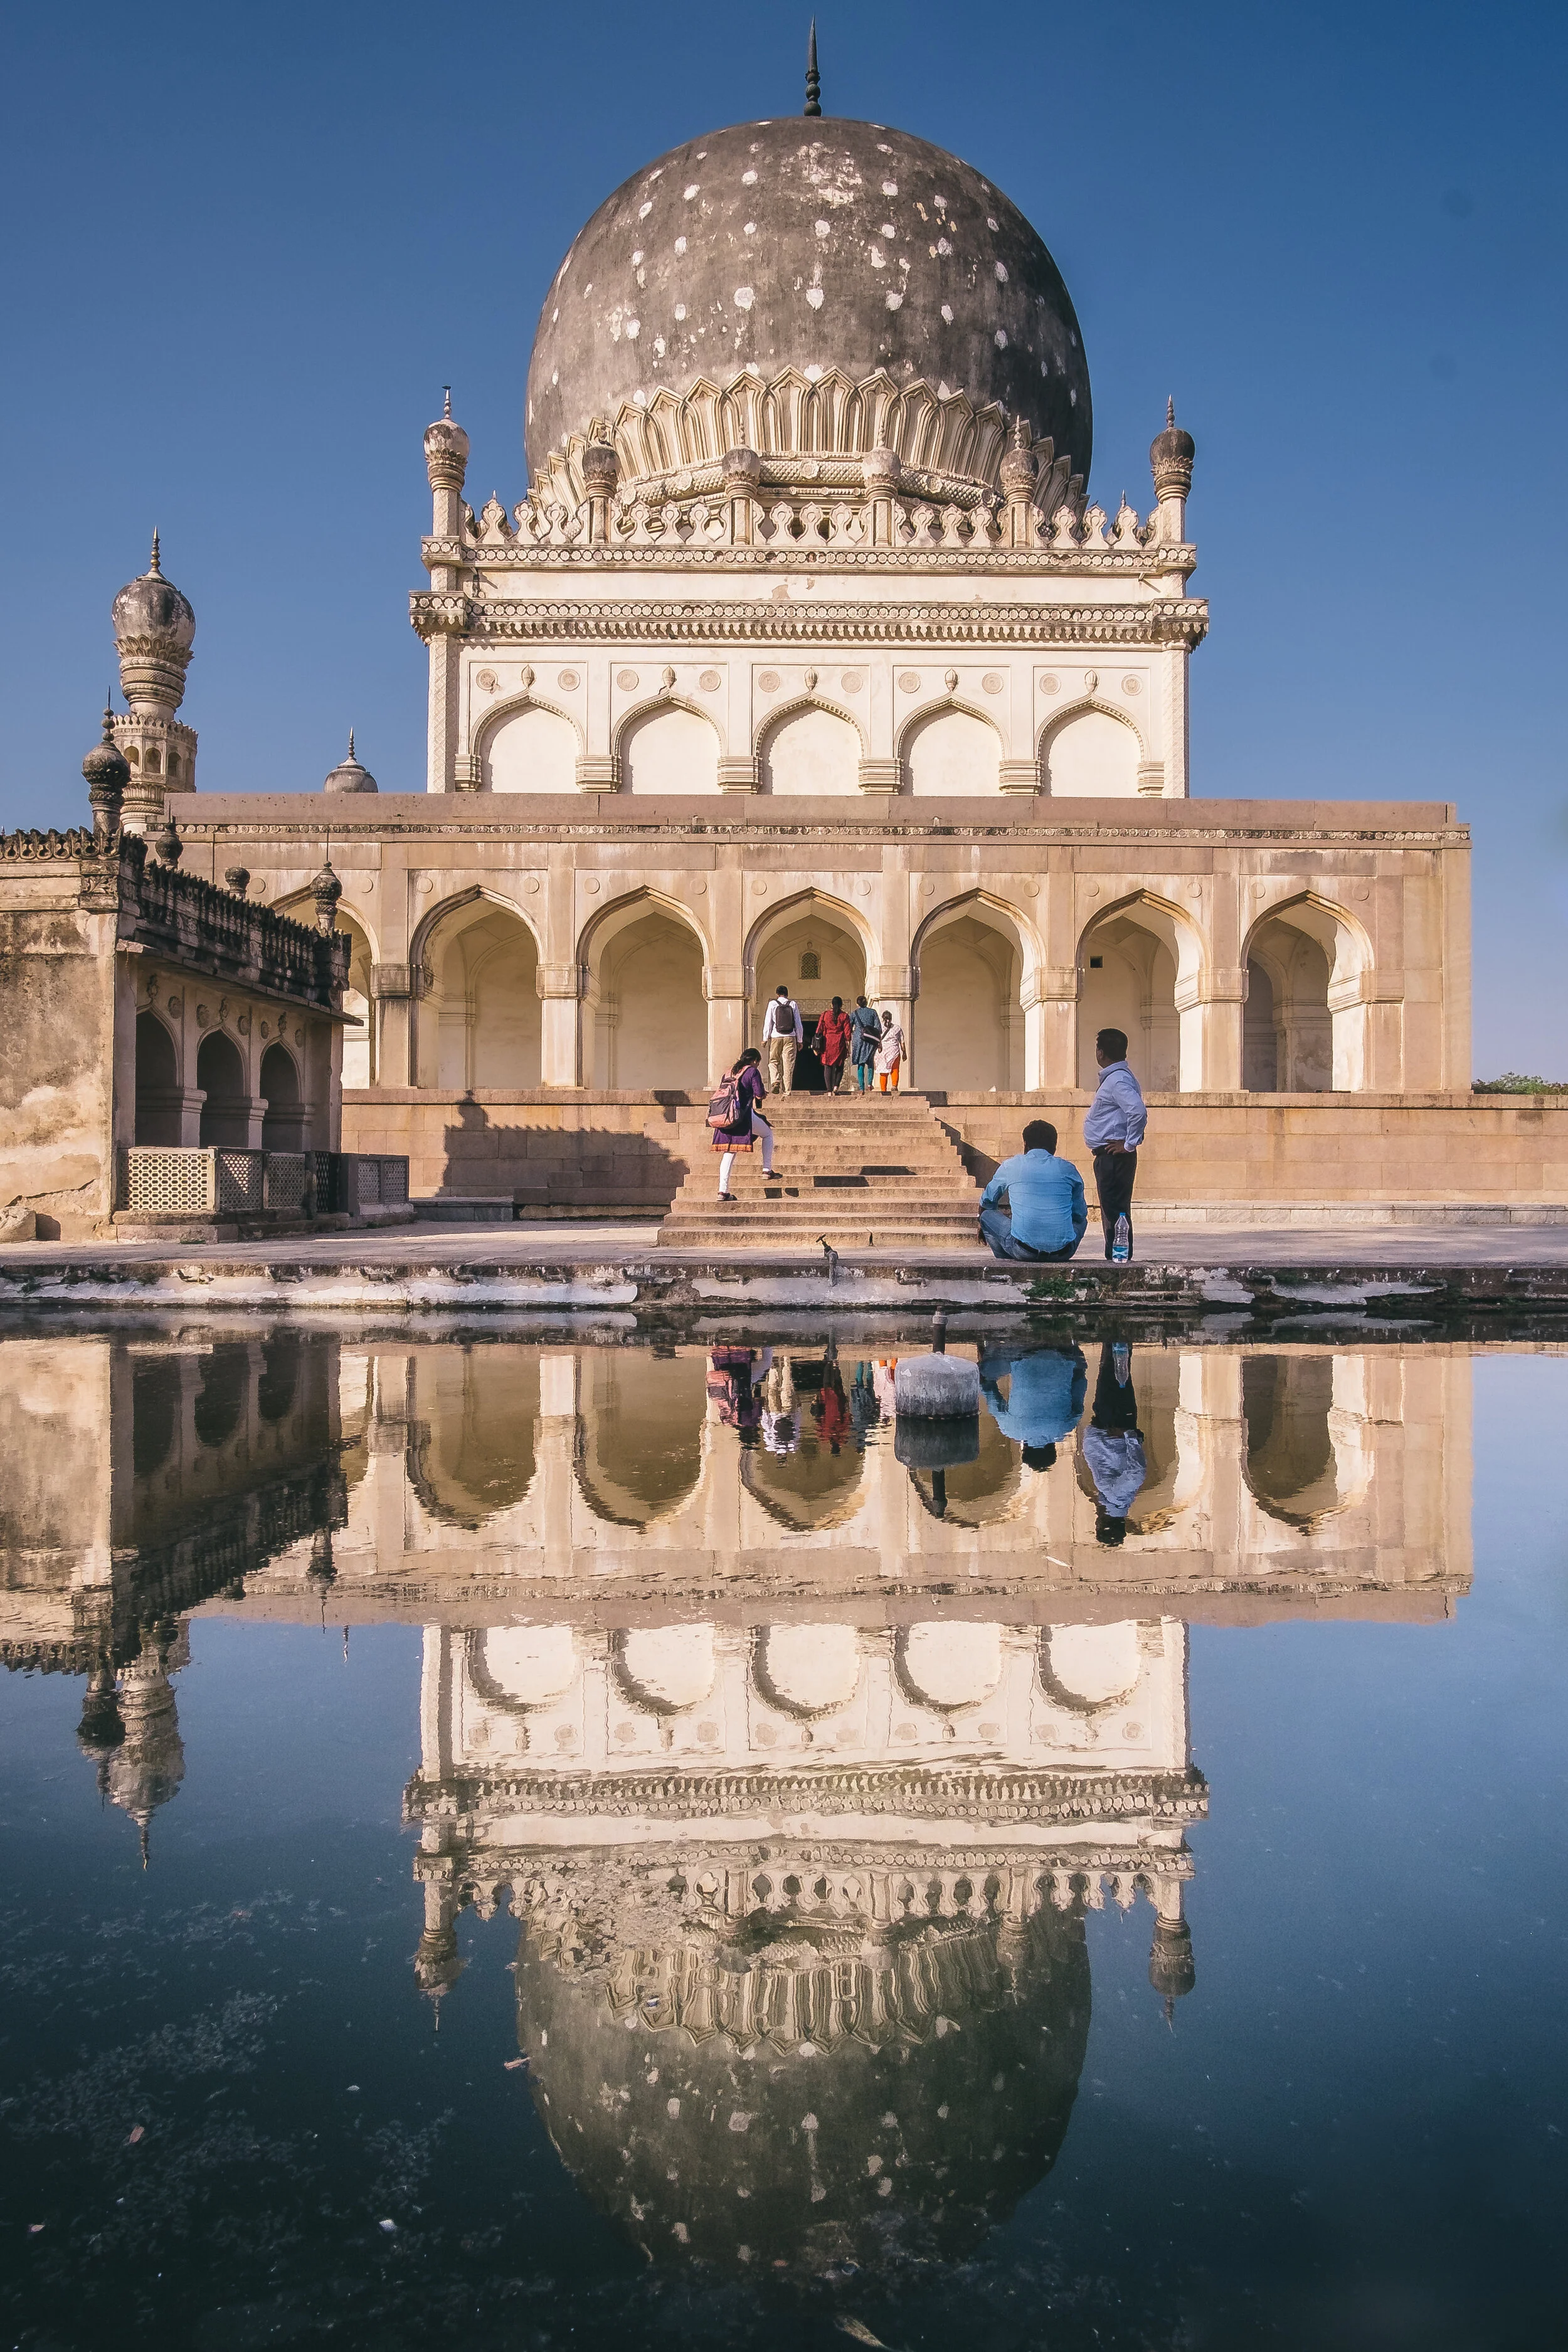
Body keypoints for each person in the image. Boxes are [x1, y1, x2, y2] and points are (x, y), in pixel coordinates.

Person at [977, 1120, 1087, 1261]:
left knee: (986, 1215)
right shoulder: (1068, 1169)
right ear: (1054, 1146)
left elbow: (987, 1202)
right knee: (1082, 1222)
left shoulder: (1011, 1165)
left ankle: (1006, 1262)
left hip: (1023, 1251)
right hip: (1064, 1252)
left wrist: (983, 1224)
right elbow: (1080, 1215)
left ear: (1025, 1144)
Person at [1083, 1026, 1147, 1261]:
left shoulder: (1117, 1080)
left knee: (1115, 1212)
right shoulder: (1118, 1078)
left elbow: (1137, 1111)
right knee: (1114, 1211)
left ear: (1101, 1052)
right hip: (1110, 1155)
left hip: (1113, 1156)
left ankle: (1118, 1257)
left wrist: (1128, 1144)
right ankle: (1117, 1255)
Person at [978, 1341, 1088, 1471]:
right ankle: (982, 1339)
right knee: (983, 1375)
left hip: (1065, 1353)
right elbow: (991, 1395)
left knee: (1078, 1369)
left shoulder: (1067, 1426)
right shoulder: (1011, 1429)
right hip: (1020, 1354)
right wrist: (983, 1380)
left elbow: (1080, 1383)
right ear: (1024, 1448)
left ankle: (1070, 1342)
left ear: (1053, 1447)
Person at [1081, 1340, 1146, 1545]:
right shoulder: (1118, 1496)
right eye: (1098, 1524)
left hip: (1108, 1426)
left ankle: (1116, 1334)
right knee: (1114, 1372)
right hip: (1114, 1423)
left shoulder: (1114, 1499)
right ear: (1102, 1523)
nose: (1096, 1521)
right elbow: (1136, 1474)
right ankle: (1118, 1331)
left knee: (1113, 1371)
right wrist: (1129, 1435)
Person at [711, 1046, 776, 1200]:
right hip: (743, 1116)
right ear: (754, 1061)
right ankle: (767, 1169)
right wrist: (762, 1095)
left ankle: (722, 1191)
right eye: (757, 1063)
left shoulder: (728, 1072)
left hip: (725, 1116)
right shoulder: (752, 1071)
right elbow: (759, 1094)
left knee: (729, 1152)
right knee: (768, 1134)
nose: (757, 1065)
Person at [763, 983, 803, 1094]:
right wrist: (800, 1040)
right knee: (788, 1064)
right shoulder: (793, 1004)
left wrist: (765, 1038)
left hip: (776, 1036)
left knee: (774, 1061)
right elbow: (798, 1023)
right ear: (787, 995)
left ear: (777, 994)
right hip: (790, 1037)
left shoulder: (772, 1004)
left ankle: (775, 1081)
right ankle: (787, 1091)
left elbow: (768, 1021)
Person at [815, 995, 852, 1094]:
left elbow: (819, 1029)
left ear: (831, 1005)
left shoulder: (825, 1015)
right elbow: (848, 1033)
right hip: (839, 1043)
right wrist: (849, 1044)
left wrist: (816, 1043)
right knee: (840, 1065)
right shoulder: (844, 1016)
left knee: (828, 1066)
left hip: (827, 1043)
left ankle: (829, 1090)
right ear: (841, 1005)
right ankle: (836, 1087)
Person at [849, 995, 881, 1092]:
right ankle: (870, 1084)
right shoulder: (873, 1012)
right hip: (871, 1040)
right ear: (866, 1002)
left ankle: (862, 1088)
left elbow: (849, 1027)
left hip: (859, 1040)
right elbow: (878, 1028)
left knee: (861, 1063)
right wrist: (879, 1041)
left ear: (857, 1003)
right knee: (870, 1062)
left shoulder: (854, 1013)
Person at [874, 1005, 904, 1093]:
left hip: (882, 1052)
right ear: (891, 1019)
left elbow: (876, 1040)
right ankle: (894, 1086)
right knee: (895, 1069)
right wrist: (904, 1053)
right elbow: (902, 1042)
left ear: (883, 1019)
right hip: (894, 1051)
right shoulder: (897, 1028)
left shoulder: (879, 1028)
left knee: (883, 1071)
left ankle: (883, 1090)